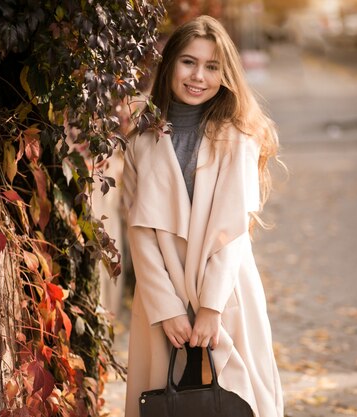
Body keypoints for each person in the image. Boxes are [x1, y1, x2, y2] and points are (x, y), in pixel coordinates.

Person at [121, 15, 283, 417]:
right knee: (168, 402)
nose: (199, 76)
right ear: (171, 63)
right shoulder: (142, 141)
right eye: (189, 62)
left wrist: (210, 308)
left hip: (226, 294)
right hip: (165, 297)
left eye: (212, 67)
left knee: (237, 399)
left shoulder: (238, 138)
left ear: (225, 74)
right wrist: (168, 308)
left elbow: (232, 233)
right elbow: (138, 232)